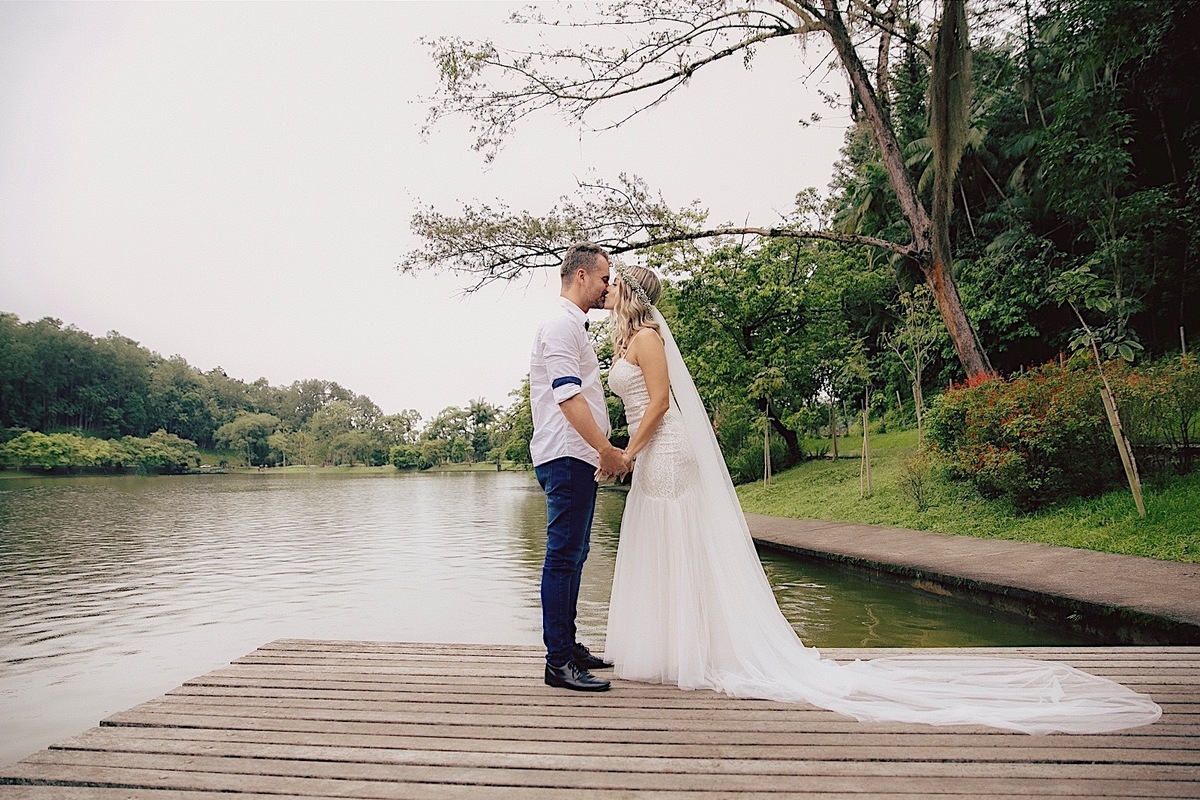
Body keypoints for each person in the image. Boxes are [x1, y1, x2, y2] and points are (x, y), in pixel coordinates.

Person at [601, 261, 1162, 734]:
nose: (606, 292)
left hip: (664, 449)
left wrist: (627, 453)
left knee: (676, 540)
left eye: (611, 285)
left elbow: (657, 404)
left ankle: (696, 651)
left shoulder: (648, 337)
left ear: (629, 293)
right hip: (651, 453)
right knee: (664, 544)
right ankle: (676, 647)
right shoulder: (628, 339)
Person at [529, 241, 628, 692]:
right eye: (605, 278)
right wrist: (606, 450)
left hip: (577, 455)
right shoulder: (558, 325)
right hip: (567, 453)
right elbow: (568, 395)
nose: (609, 287)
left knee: (577, 554)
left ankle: (569, 647)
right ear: (582, 276)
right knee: (563, 556)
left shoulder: (575, 327)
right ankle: (558, 663)